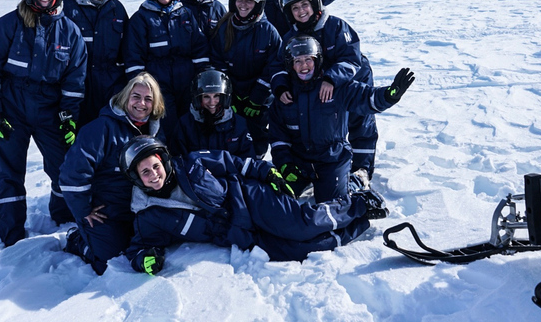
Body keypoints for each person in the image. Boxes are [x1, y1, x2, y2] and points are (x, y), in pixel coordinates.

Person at [120, 135, 389, 274]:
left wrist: (266, 172)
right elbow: (138, 249)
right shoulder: (147, 215)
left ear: (163, 161)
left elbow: (234, 162)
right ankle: (361, 222)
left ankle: (358, 203)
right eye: (145, 172)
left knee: (301, 225)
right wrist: (145, 261)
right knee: (300, 250)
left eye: (155, 166)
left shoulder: (191, 162)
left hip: (249, 197)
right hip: (237, 232)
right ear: (136, 178)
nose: (154, 174)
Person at [0, 0, 88, 247]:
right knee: (8, 173)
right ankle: (12, 235)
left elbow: (75, 80)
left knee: (63, 166)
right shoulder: (4, 27)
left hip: (49, 108)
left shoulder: (71, 33)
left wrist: (68, 116)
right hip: (11, 108)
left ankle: (62, 220)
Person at [269, 35, 414, 203]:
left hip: (331, 161)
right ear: (290, 65)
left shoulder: (335, 87)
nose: (304, 66)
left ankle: (355, 183)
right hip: (299, 163)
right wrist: (285, 165)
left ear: (317, 60)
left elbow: (366, 98)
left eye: (308, 59)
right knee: (277, 198)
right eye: (297, 61)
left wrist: (389, 95)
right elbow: (278, 138)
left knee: (335, 205)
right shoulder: (285, 96)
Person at [273, 0, 379, 184]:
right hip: (318, 86)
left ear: (315, 4)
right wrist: (281, 86)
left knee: (360, 120)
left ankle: (362, 169)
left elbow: (351, 57)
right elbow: (278, 66)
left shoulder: (336, 26)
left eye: (305, 4)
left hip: (352, 78)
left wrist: (332, 79)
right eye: (295, 7)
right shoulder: (290, 37)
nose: (301, 11)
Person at [59, 72, 165, 274]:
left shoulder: (156, 132)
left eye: (148, 99)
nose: (141, 103)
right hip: (106, 212)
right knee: (109, 262)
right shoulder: (101, 129)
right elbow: (72, 173)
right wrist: (83, 211)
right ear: (125, 97)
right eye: (136, 96)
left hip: (140, 210)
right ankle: (78, 241)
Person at [123, 0, 210, 136]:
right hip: (158, 88)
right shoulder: (141, 19)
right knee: (167, 129)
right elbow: (134, 59)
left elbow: (200, 49)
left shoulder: (185, 15)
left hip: (187, 85)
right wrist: (143, 90)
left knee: (191, 127)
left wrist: (203, 79)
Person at [209, 0, 282, 158]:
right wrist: (228, 95)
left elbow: (275, 65)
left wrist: (258, 97)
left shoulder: (267, 31)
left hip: (259, 96)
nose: (243, 5)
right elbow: (217, 62)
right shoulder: (224, 27)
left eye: (249, 1)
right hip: (233, 94)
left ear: (258, 4)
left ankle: (257, 161)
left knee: (257, 131)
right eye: (239, 0)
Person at [63, 0, 128, 128]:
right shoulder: (66, 6)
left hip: (109, 89)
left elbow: (127, 51)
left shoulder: (117, 9)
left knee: (107, 140)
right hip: (75, 88)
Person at [169, 67, 255, 159]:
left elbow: (248, 159)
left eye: (216, 96)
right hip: (196, 172)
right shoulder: (185, 124)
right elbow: (177, 160)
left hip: (231, 172)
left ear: (224, 98)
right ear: (198, 99)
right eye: (206, 97)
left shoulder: (238, 124)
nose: (212, 102)